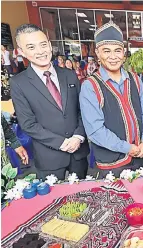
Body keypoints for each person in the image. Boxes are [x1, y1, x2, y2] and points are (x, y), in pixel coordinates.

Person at [10, 24, 89, 180]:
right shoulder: (19, 83)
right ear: (21, 52)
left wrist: (78, 137)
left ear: (49, 45)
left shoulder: (69, 75)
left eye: (43, 44)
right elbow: (28, 124)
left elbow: (83, 111)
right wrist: (62, 143)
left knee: (83, 198)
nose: (40, 51)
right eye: (31, 47)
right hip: (49, 157)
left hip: (78, 152)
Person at [79, 22, 143, 177]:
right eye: (107, 51)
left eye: (117, 51)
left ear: (124, 53)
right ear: (98, 53)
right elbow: (95, 131)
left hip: (139, 156)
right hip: (112, 164)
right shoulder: (90, 86)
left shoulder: (134, 79)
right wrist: (127, 148)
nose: (113, 57)